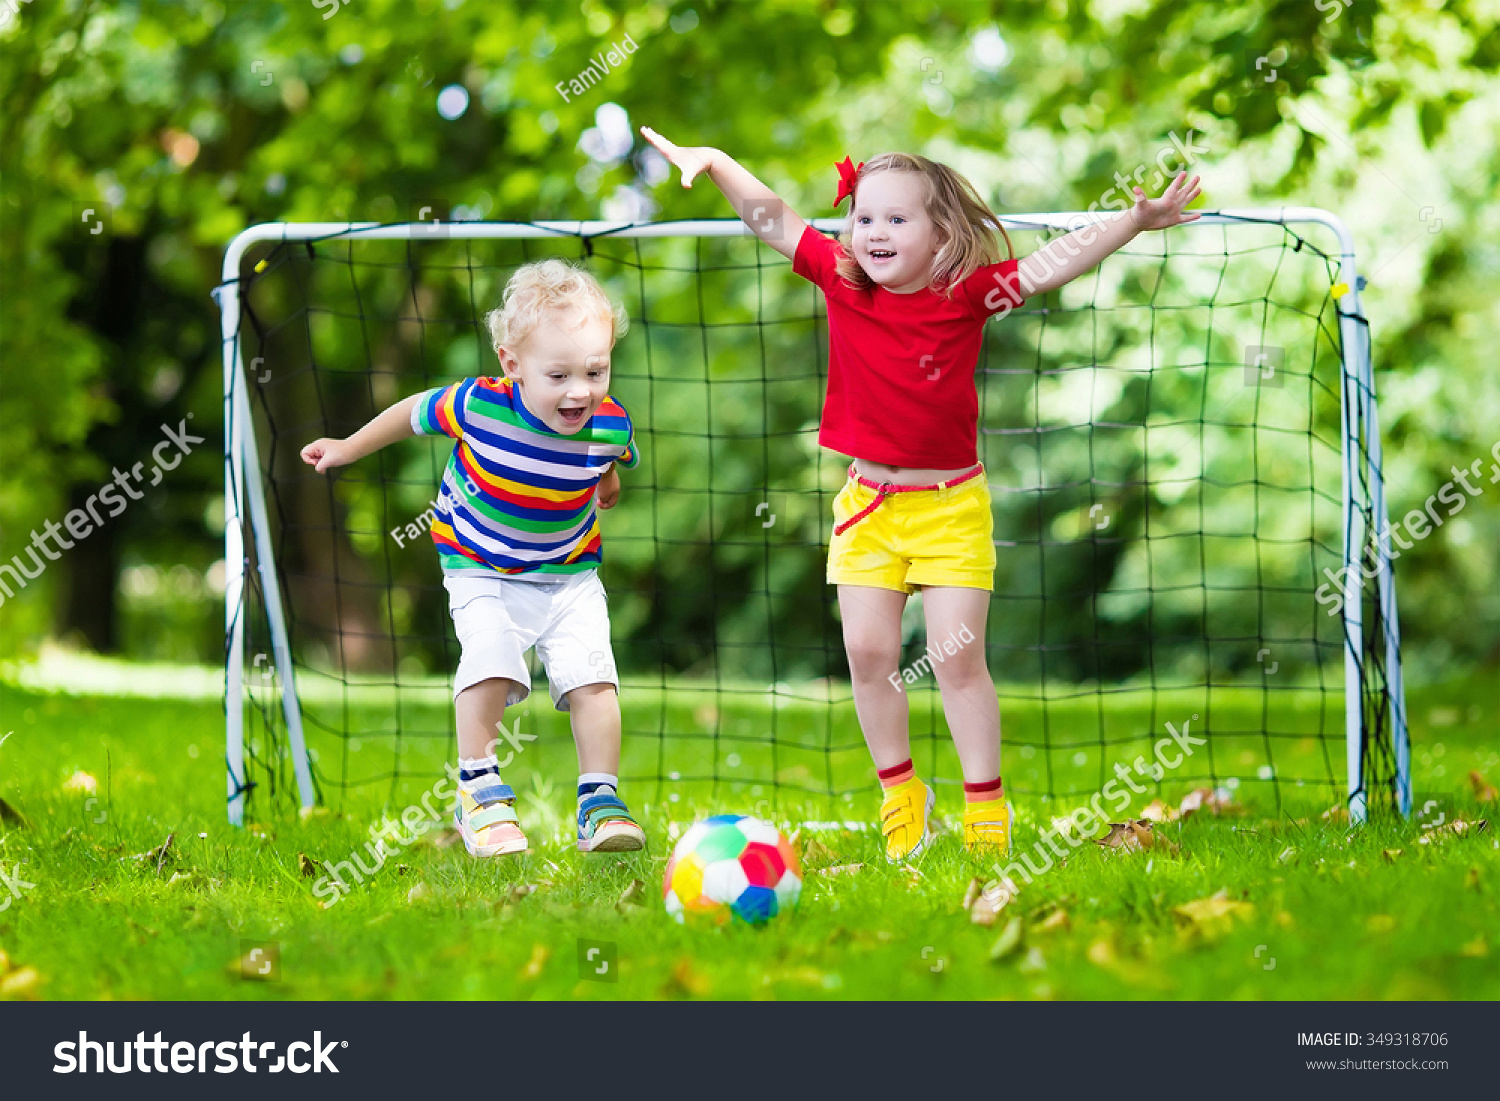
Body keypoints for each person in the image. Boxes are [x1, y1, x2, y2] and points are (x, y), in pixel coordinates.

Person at [640, 125, 1201, 860]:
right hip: (869, 507)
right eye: (864, 217)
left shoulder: (966, 295)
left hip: (950, 509)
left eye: (896, 219)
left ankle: (985, 809)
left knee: (955, 659)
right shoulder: (841, 278)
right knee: (868, 652)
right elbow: (771, 216)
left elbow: (1047, 266)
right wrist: (714, 158)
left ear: (941, 235)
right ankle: (901, 792)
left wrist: (1133, 219)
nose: (873, 231)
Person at [300, 258, 647, 857]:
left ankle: (600, 801)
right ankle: (480, 795)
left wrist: (607, 483)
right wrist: (346, 448)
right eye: (559, 374)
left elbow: (606, 461)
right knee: (491, 661)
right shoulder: (478, 407)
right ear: (513, 366)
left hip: (568, 574)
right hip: (480, 564)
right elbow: (407, 415)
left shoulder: (610, 423)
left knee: (595, 677)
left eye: (596, 370)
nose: (580, 390)